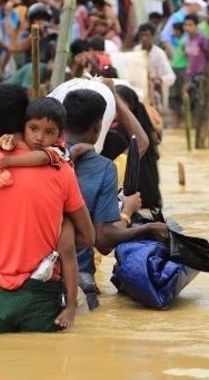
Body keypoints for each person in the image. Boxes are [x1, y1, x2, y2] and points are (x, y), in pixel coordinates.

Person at [0, 84, 95, 333]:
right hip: (43, 301)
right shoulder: (60, 168)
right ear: (24, 120)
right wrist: (60, 234)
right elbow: (88, 237)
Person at [53, 86, 166, 309]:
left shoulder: (38, 156)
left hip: (29, 275)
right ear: (97, 128)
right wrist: (145, 226)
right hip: (78, 279)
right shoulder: (104, 169)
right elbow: (103, 241)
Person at [134, 23, 176, 110]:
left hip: (155, 93)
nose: (144, 38)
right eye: (141, 35)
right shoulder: (136, 51)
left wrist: (158, 80)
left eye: (147, 35)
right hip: (139, 92)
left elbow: (170, 76)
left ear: (152, 36)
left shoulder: (159, 54)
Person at [183, 14, 209, 108]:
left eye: (190, 25)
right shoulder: (186, 40)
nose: (188, 27)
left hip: (199, 74)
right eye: (186, 25)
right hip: (189, 73)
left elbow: (208, 55)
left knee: (198, 100)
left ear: (196, 26)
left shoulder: (201, 39)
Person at [168, 22, 187, 128]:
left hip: (181, 70)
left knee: (177, 97)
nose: (173, 32)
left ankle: (177, 125)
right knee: (176, 98)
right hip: (177, 69)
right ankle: (176, 126)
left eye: (174, 30)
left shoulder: (185, 41)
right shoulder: (180, 41)